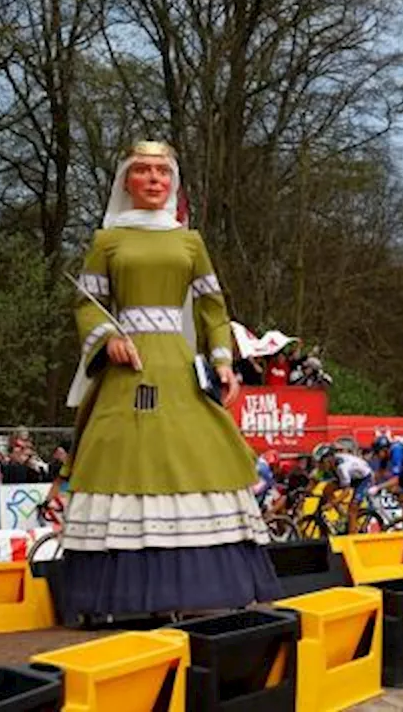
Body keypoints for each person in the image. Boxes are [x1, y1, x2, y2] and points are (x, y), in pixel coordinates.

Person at [60, 140, 278, 622]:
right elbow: (84, 304)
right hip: (127, 368)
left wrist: (223, 360)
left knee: (203, 454)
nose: (155, 179)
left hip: (179, 364)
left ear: (173, 182)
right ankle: (116, 596)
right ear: (127, 181)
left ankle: (205, 586)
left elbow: (212, 307)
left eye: (163, 171)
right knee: (121, 462)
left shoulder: (190, 242)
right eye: (144, 171)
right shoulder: (107, 241)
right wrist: (107, 338)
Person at [311, 444, 373, 533]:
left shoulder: (342, 468)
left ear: (328, 460)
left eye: (320, 462)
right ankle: (343, 515)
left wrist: (332, 504)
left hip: (363, 478)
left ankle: (352, 536)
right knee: (327, 489)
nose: (319, 466)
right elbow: (314, 480)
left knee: (352, 509)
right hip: (351, 476)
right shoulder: (328, 464)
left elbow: (346, 492)